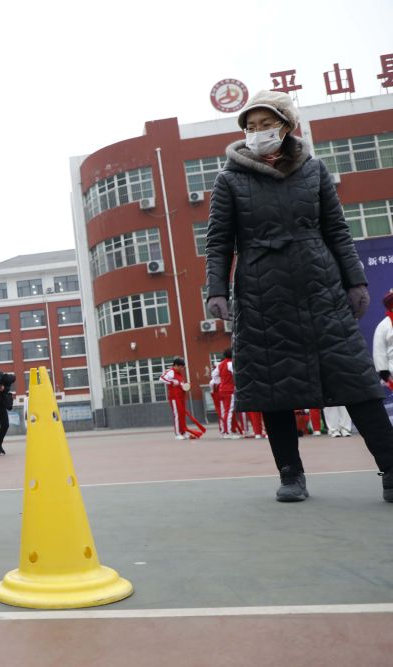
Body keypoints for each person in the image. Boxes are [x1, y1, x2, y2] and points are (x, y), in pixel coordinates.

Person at [204, 90, 393, 503]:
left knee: (355, 381)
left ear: (286, 126)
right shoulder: (229, 179)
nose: (257, 133)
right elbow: (219, 241)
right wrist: (216, 290)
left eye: (265, 124)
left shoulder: (314, 170)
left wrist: (355, 281)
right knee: (274, 388)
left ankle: (391, 468)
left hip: (319, 285)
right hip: (260, 292)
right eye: (250, 127)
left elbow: (337, 229)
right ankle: (291, 475)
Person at [160, 358, 204, 440]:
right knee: (177, 415)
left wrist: (186, 387)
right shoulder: (171, 371)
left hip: (181, 398)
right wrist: (172, 382)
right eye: (181, 367)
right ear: (175, 365)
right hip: (174, 398)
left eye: (183, 367)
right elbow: (161, 378)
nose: (182, 369)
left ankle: (183, 431)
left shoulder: (179, 374)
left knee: (182, 415)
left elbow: (182, 386)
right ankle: (177, 434)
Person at [215, 350, 242, 439]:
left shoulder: (220, 364)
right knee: (229, 411)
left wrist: (220, 382)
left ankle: (224, 431)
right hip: (229, 390)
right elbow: (237, 374)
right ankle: (228, 432)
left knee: (224, 411)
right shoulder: (230, 364)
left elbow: (214, 375)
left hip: (222, 389)